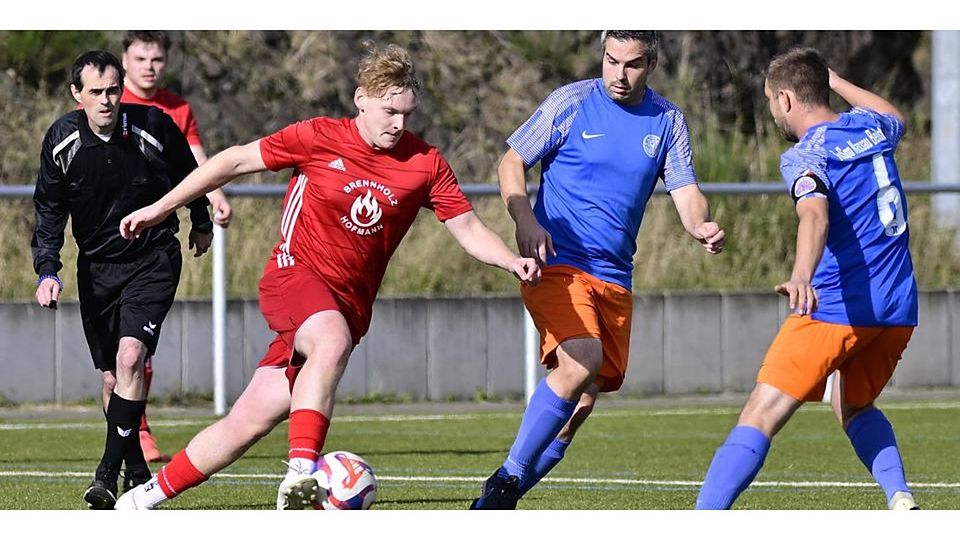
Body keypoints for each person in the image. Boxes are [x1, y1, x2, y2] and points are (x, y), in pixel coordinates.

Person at [114, 41, 539, 510]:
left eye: (406, 114)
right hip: (294, 275)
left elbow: (468, 228)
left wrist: (510, 261)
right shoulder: (318, 136)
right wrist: (159, 209)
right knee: (330, 340)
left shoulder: (426, 163)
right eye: (388, 111)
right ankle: (301, 474)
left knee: (247, 423)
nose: (398, 124)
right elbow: (233, 160)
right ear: (361, 99)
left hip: (348, 308)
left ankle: (140, 501)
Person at [471, 30, 726, 510]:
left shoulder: (668, 120)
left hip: (615, 278)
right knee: (581, 361)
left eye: (631, 64)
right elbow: (511, 162)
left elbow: (685, 189)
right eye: (611, 60)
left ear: (651, 63)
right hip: (557, 263)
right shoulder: (571, 102)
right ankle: (506, 478)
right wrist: (524, 221)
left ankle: (491, 508)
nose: (619, 74)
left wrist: (701, 225)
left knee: (579, 406)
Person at [694, 47, 918, 510]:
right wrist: (833, 80)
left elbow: (813, 216)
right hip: (897, 307)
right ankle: (901, 499)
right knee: (853, 406)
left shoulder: (805, 155)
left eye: (771, 101)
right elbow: (894, 114)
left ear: (785, 99)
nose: (773, 112)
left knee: (759, 413)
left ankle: (703, 519)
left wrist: (801, 277)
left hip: (837, 306)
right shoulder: (868, 128)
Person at [31, 50, 213, 509]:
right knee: (113, 377)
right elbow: (49, 211)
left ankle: (105, 477)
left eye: (113, 90)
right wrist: (48, 269)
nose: (107, 100)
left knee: (132, 358)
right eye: (96, 92)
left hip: (152, 258)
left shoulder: (152, 125)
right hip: (97, 269)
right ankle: (136, 469)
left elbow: (189, 176)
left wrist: (201, 220)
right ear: (78, 96)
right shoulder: (61, 141)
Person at [121, 30, 232, 463]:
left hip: (158, 237)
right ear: (125, 61)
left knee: (139, 343)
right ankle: (128, 431)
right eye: (142, 58)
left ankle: (138, 429)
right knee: (117, 356)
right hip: (112, 238)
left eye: (158, 59)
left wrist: (215, 197)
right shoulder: (107, 99)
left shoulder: (177, 108)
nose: (150, 66)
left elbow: (197, 161)